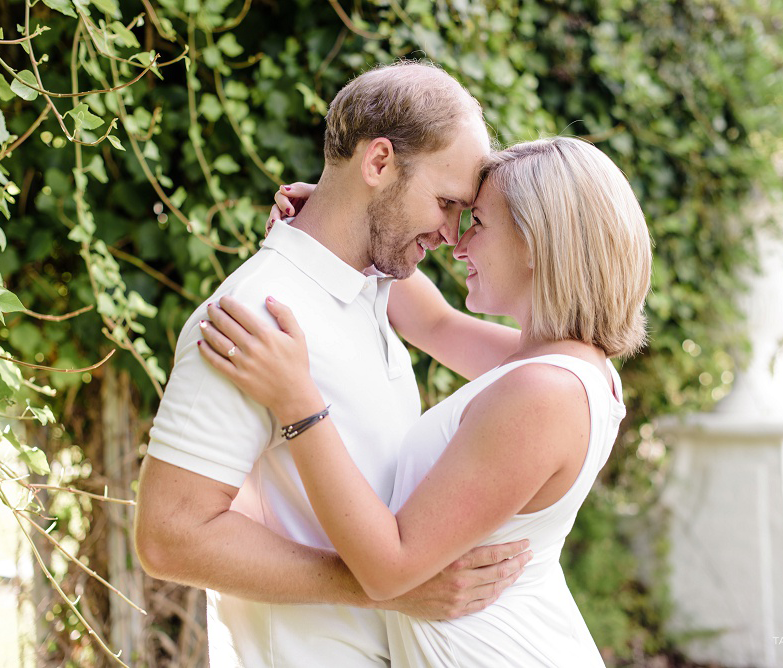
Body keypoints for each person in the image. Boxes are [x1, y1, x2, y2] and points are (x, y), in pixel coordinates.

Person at [134, 61, 534, 668]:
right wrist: (387, 585)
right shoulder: (253, 320)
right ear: (378, 163)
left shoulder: (372, 288)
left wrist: (579, 358)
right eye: (447, 202)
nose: (455, 235)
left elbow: (453, 331)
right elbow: (169, 537)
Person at [198, 136, 653, 666]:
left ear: (534, 243)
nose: (458, 245)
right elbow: (430, 323)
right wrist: (337, 216)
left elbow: (389, 568)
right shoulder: (566, 367)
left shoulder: (543, 394)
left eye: (477, 223)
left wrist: (297, 401)